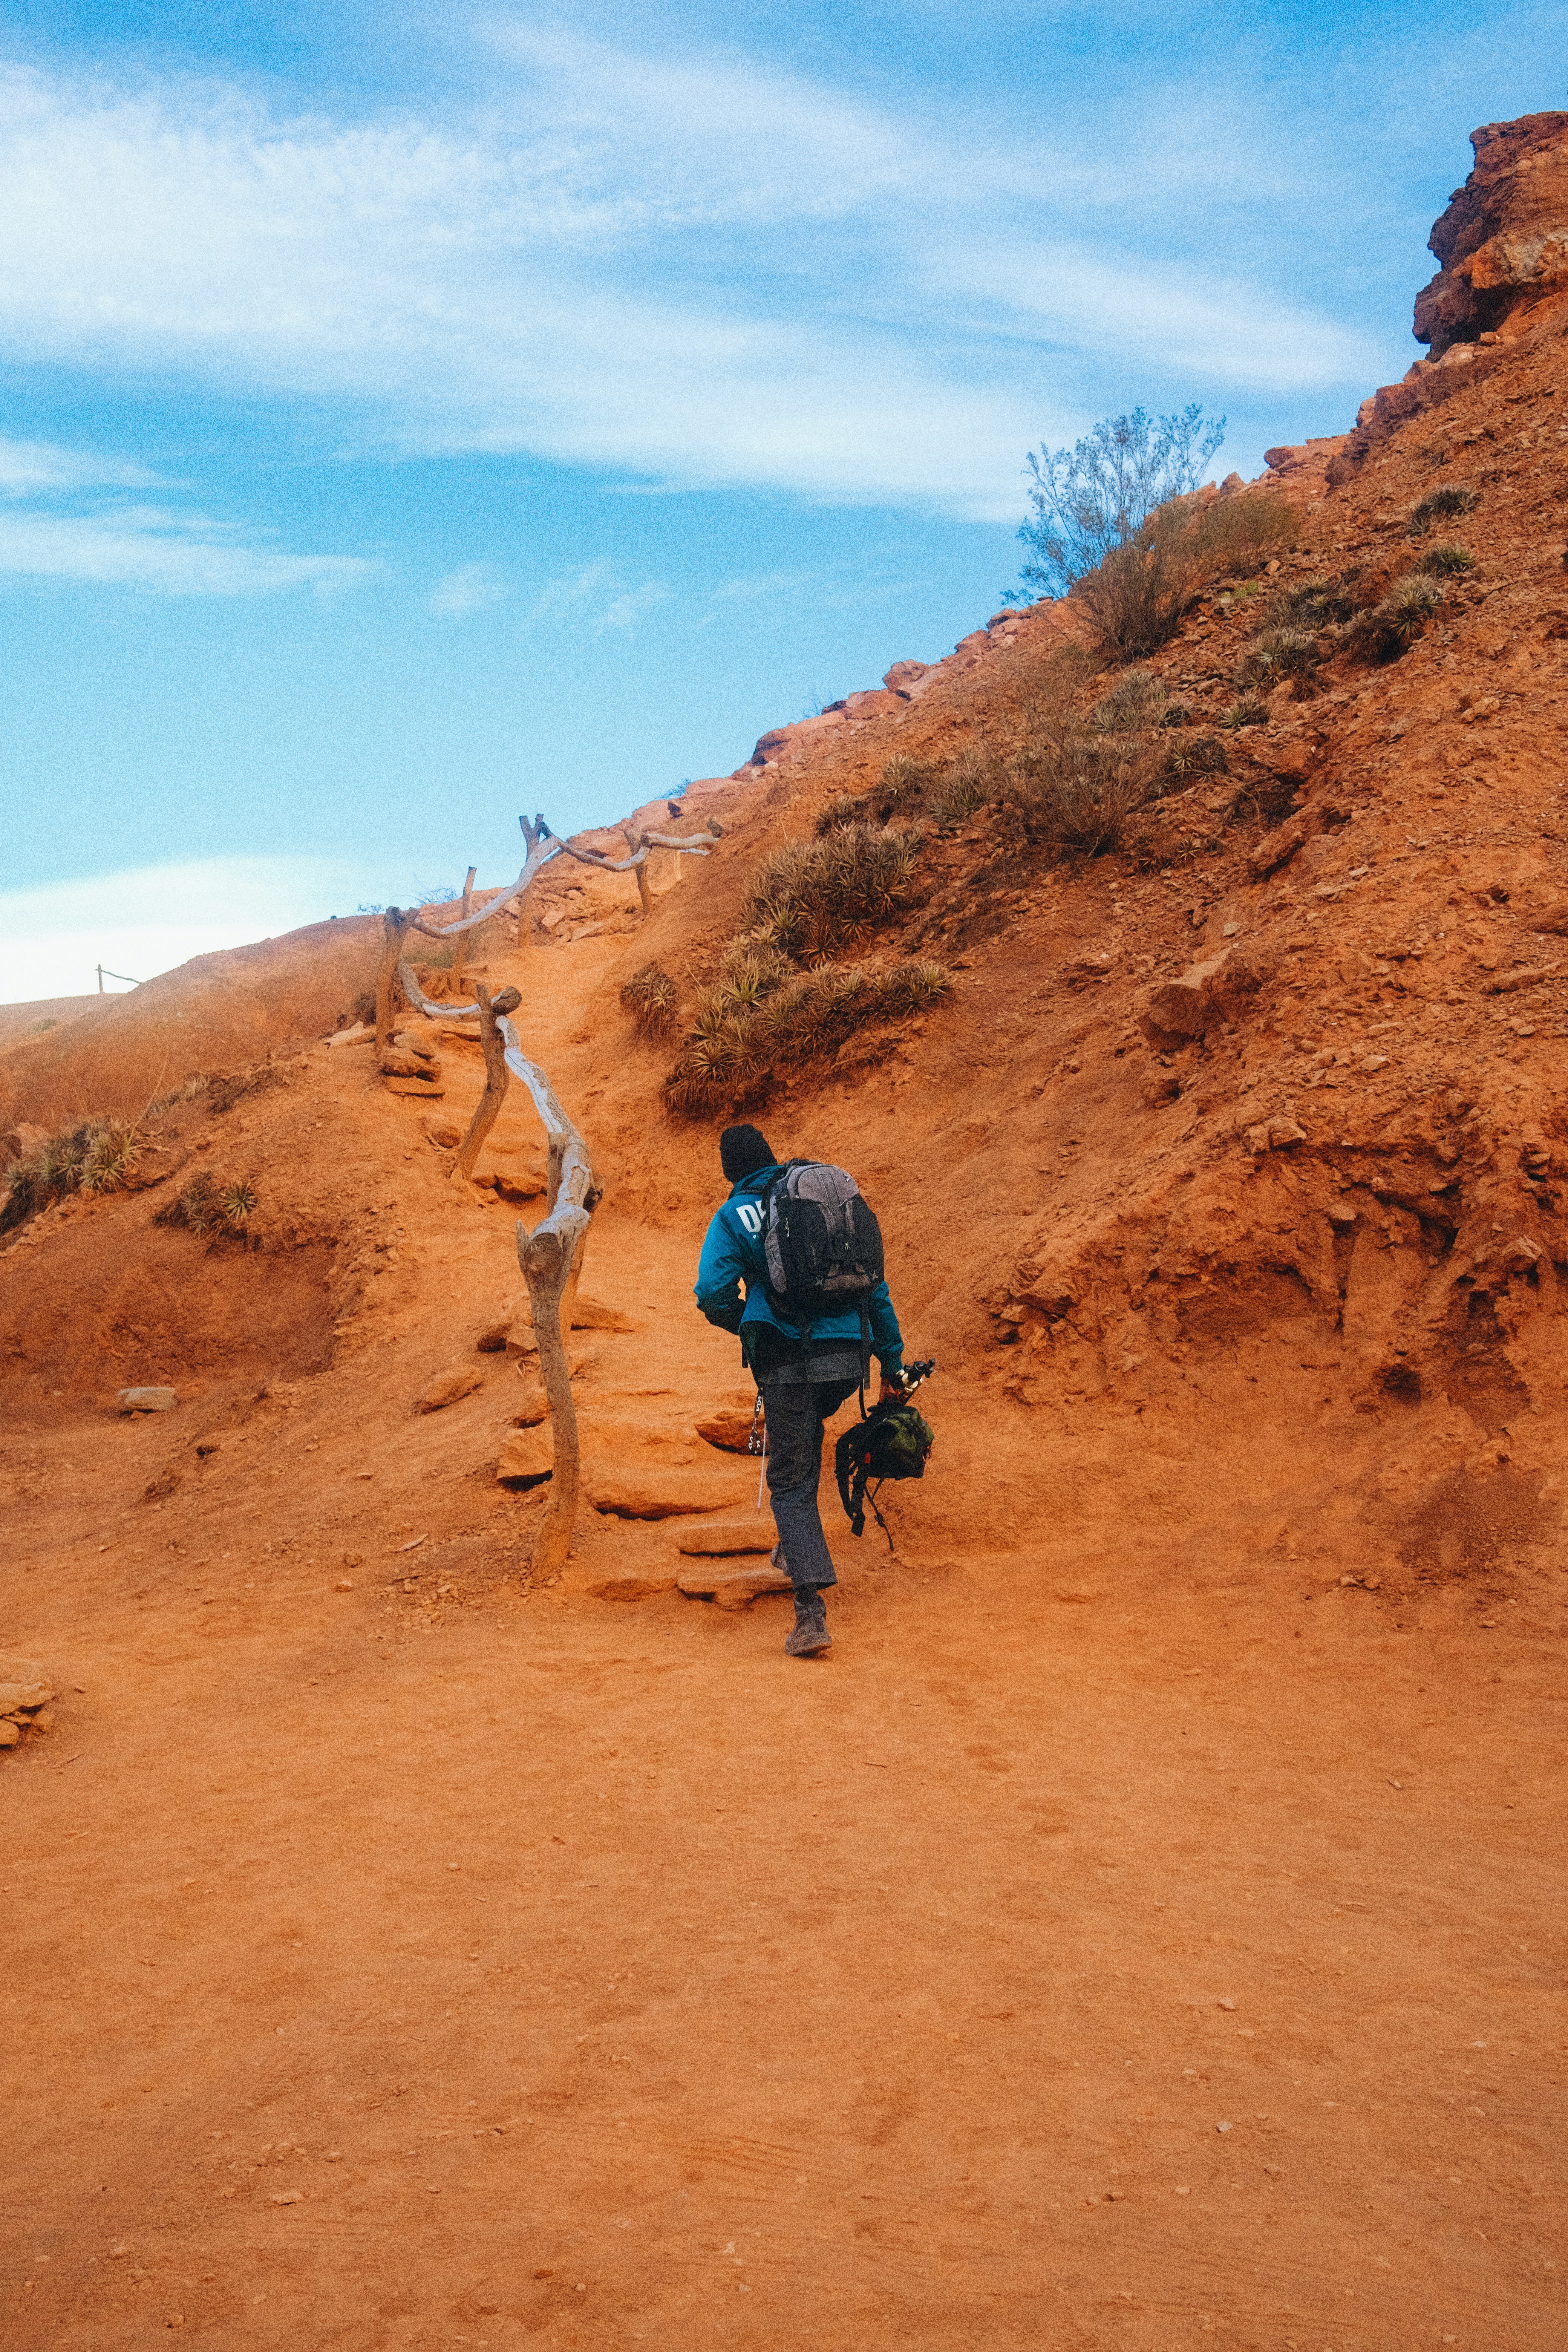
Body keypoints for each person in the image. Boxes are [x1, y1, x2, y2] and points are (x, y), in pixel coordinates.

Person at [694, 1122, 905, 1658]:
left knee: (787, 1481)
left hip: (790, 1362)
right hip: (848, 1362)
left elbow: (712, 1294)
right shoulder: (819, 1197)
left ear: (730, 1171)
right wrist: (892, 1362)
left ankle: (810, 1612)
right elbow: (873, 1288)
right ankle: (794, 1549)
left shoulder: (735, 1214)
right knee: (804, 1435)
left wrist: (753, 1326)